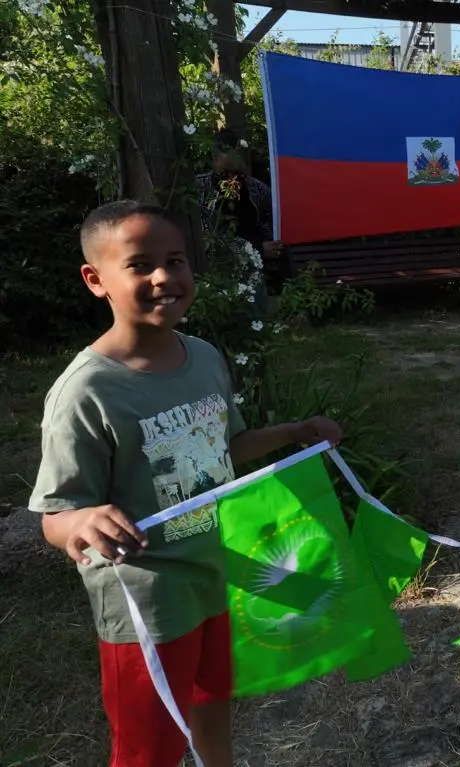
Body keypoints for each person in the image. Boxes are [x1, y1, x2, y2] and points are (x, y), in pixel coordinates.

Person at [28, 200, 343, 767]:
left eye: (175, 260)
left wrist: (295, 431)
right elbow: (56, 514)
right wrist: (80, 521)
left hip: (211, 577)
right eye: (140, 264)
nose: (163, 277)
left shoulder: (202, 357)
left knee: (211, 705)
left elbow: (225, 450)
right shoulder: (85, 393)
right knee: (150, 745)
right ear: (95, 279)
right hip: (147, 605)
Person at [196, 129, 279, 260]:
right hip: (215, 265)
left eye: (235, 173)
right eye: (225, 173)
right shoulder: (200, 188)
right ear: (214, 157)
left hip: (257, 268)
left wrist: (268, 248)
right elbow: (203, 236)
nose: (231, 178)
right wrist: (256, 249)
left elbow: (272, 225)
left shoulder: (258, 189)